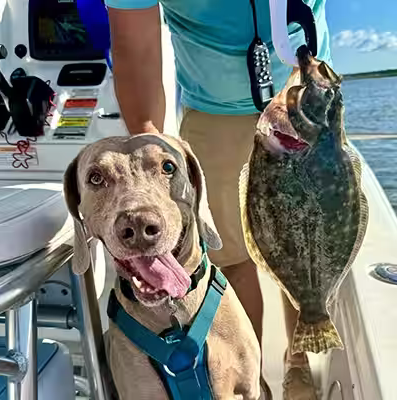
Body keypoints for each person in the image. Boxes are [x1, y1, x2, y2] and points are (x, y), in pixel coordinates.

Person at [105, 1, 331, 398]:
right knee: (230, 256)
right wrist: (151, 147)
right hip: (215, 114)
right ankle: (252, 374)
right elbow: (135, 46)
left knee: (303, 246)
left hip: (308, 101)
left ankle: (300, 364)